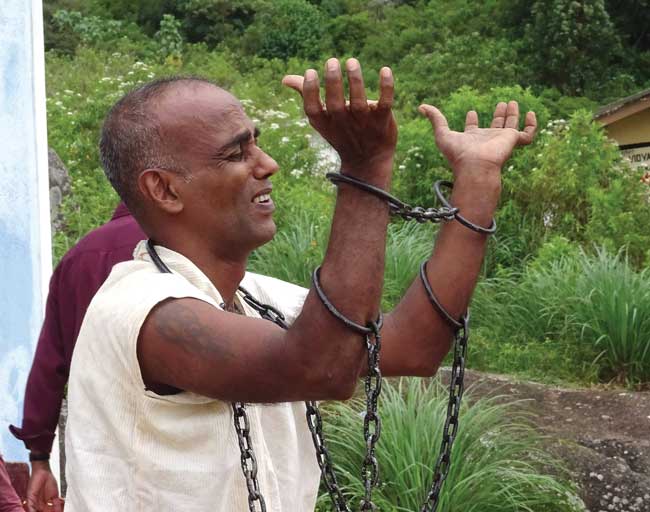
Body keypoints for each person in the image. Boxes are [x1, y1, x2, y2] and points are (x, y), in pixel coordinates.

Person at [63, 57, 536, 511]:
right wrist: (366, 166)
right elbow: (322, 367)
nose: (267, 163)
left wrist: (477, 177)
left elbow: (412, 347)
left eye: (257, 143)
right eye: (236, 153)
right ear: (164, 190)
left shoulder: (256, 298)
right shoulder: (144, 311)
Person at [9, 203, 145, 512]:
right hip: (177, 438)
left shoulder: (77, 258)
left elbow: (48, 366)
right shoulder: (182, 248)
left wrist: (40, 458)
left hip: (97, 443)